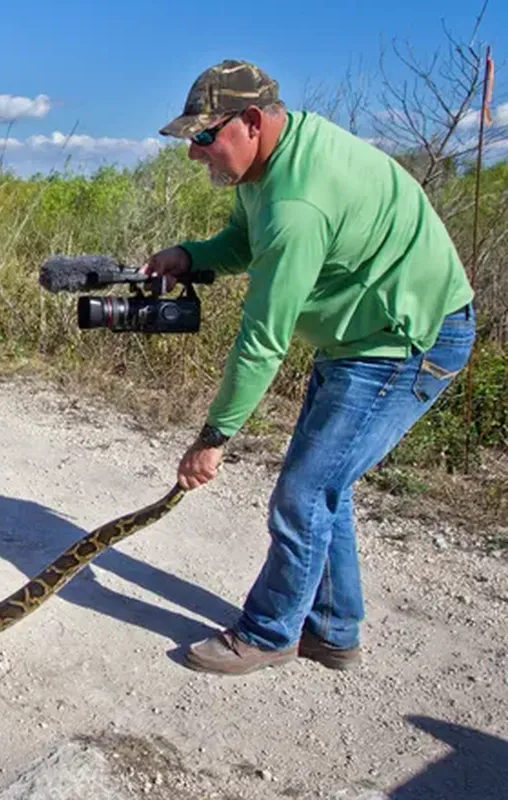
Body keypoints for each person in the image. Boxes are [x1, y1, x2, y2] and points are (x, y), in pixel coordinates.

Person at [143, 60, 475, 676]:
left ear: (249, 122)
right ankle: (333, 630)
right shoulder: (267, 165)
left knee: (303, 492)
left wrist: (213, 438)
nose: (195, 154)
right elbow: (243, 244)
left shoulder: (299, 200)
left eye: (203, 138)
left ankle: (270, 633)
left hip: (407, 342)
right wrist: (188, 256)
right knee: (326, 485)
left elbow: (262, 340)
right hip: (356, 340)